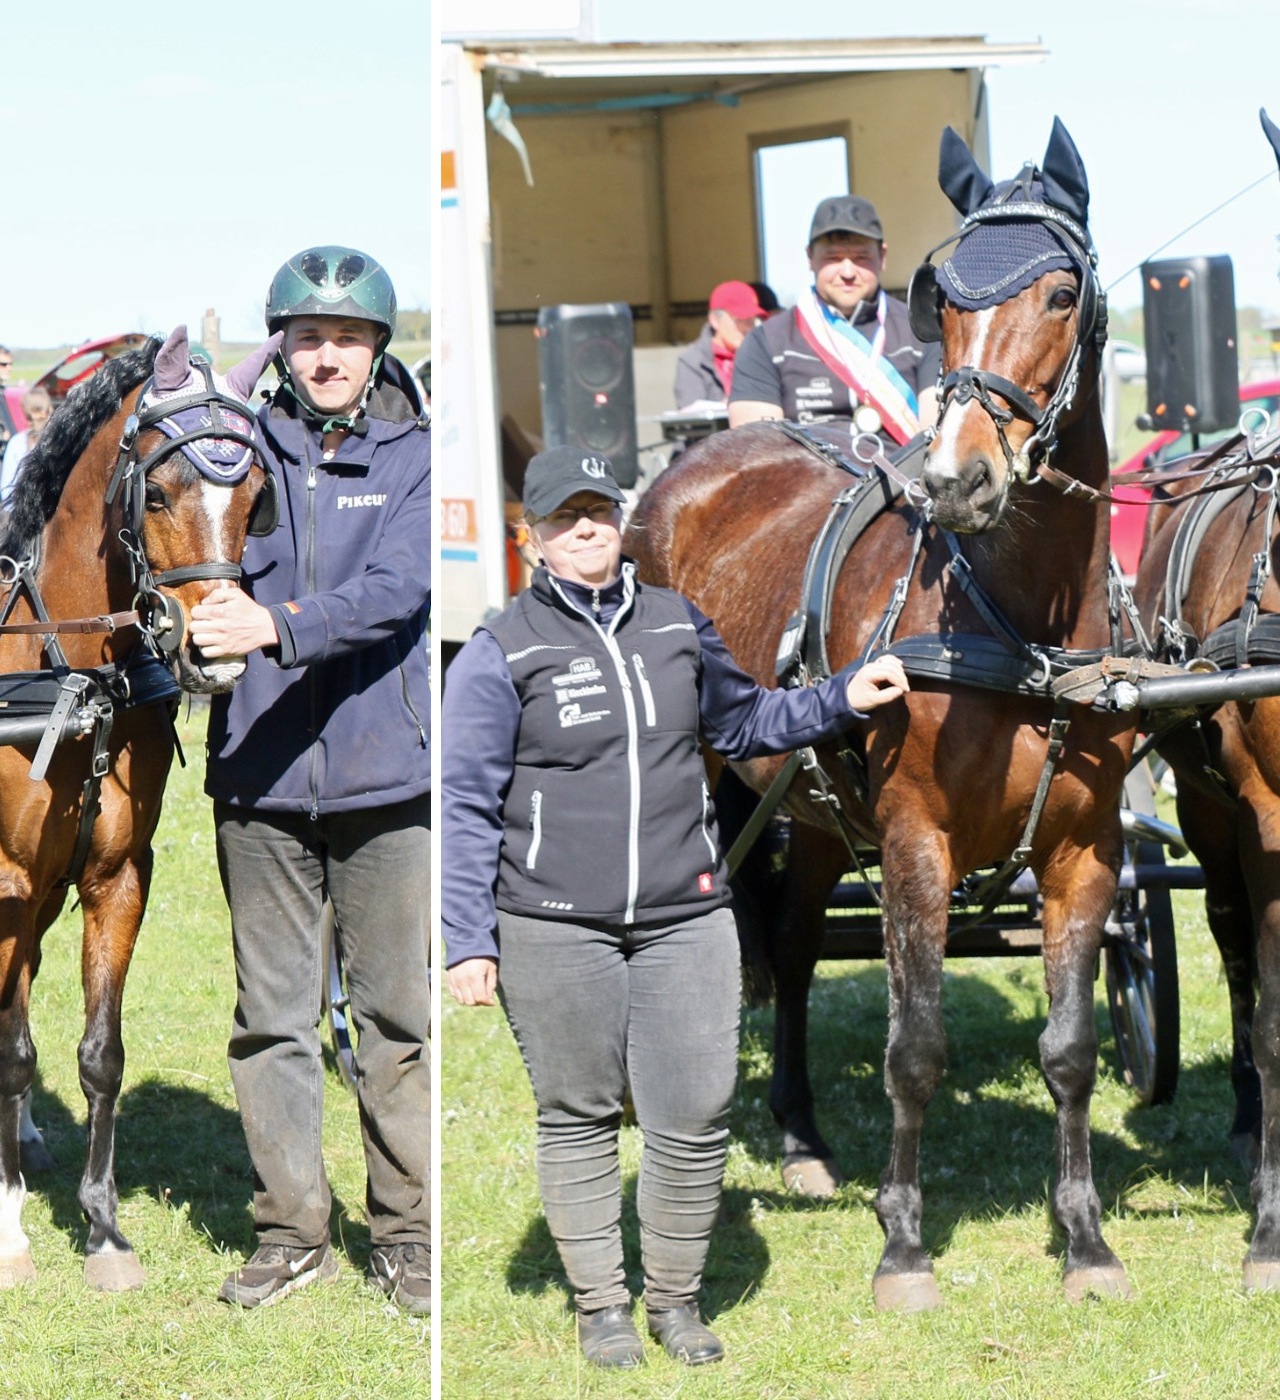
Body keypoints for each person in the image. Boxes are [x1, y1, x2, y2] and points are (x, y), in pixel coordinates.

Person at [440, 444, 909, 1369]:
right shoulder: (503, 653)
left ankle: (675, 1302)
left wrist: (841, 698)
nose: (588, 531)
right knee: (577, 1112)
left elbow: (745, 726)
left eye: (601, 514)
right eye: (567, 518)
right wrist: (466, 937)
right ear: (532, 538)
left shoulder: (676, 624)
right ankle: (601, 1307)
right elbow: (462, 804)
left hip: (687, 916)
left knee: (695, 1111)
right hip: (553, 921)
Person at [186, 246, 432, 1315]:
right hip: (260, 776)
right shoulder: (234, 450)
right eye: (308, 335)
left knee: (393, 1019)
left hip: (386, 777)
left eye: (348, 336)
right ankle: (290, 1230)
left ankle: (409, 1238)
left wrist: (275, 625)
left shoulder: (417, 455)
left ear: (377, 345)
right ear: (280, 346)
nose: (327, 355)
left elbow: (398, 589)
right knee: (270, 1019)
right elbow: (190, 560)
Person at [728, 195, 939, 447]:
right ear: (810, 257)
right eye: (833, 258)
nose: (848, 272)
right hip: (804, 482)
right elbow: (756, 450)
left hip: (903, 481)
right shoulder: (765, 342)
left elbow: (935, 437)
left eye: (861, 257)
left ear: (882, 256)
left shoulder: (924, 331)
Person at [672, 281, 767, 408]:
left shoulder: (762, 357)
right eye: (740, 320)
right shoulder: (693, 363)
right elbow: (689, 422)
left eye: (751, 320)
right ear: (715, 321)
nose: (748, 328)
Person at [0, 381, 54, 509]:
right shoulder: (58, 442)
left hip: (22, 516)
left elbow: (6, 491)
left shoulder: (16, 443)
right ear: (49, 408)